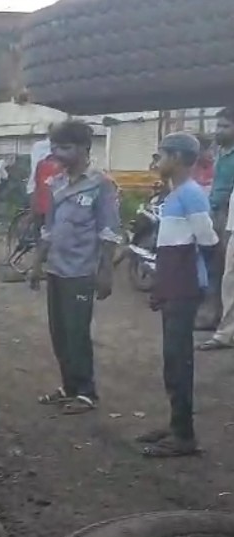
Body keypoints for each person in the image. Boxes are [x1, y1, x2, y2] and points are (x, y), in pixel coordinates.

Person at [29, 120, 120, 415]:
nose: (57, 153)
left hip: (81, 272)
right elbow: (48, 229)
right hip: (56, 269)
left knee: (76, 332)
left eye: (65, 147)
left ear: (84, 148)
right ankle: (69, 387)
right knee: (59, 333)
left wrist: (106, 272)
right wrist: (37, 264)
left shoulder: (101, 184)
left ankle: (86, 392)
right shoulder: (56, 183)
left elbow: (109, 232)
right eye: (55, 146)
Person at [138, 133, 218, 457]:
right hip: (174, 287)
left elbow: (208, 242)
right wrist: (162, 286)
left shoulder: (190, 195)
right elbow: (171, 247)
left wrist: (199, 286)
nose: (157, 162)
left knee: (178, 360)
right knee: (172, 360)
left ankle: (184, 435)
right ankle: (176, 424)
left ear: (178, 158)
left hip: (184, 289)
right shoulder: (175, 195)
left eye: (161, 155)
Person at [196, 107, 234, 330]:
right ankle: (213, 315)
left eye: (225, 126)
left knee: (224, 269)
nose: (219, 130)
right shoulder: (220, 152)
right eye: (218, 125)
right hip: (215, 213)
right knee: (213, 267)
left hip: (229, 216)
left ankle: (218, 318)